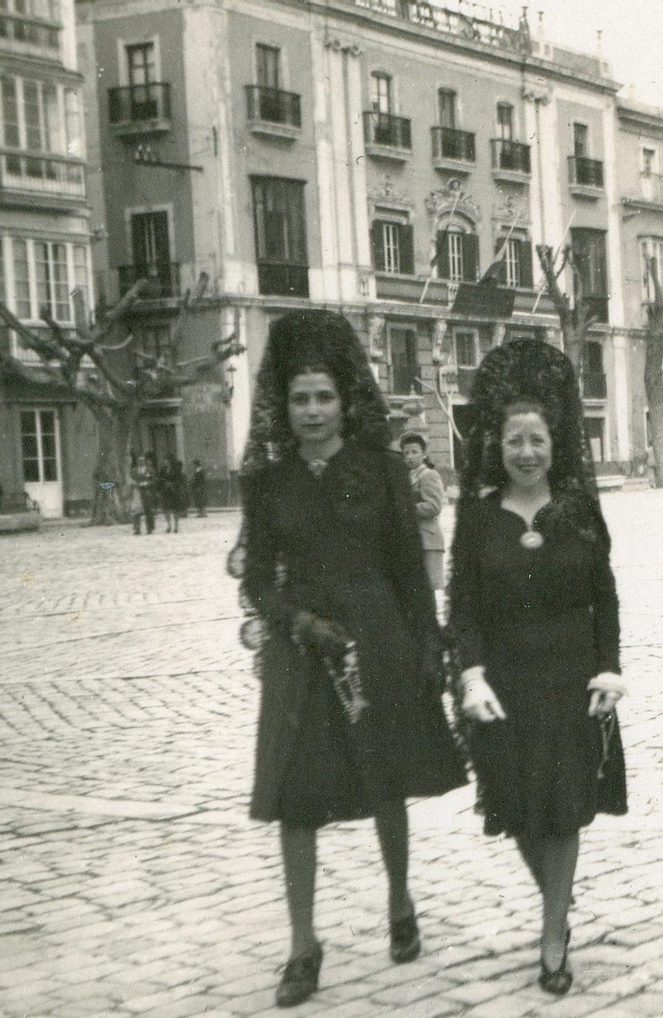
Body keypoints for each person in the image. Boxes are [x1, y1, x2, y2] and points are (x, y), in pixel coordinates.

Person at [228, 309, 466, 1008]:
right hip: (300, 653)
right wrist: (298, 622)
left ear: (345, 402)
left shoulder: (384, 471)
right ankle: (303, 945)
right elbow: (256, 580)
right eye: (300, 399)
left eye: (323, 397)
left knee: (386, 780)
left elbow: (407, 570)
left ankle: (400, 900)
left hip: (377, 640)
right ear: (283, 406)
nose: (311, 411)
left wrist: (429, 646)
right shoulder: (267, 483)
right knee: (295, 799)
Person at [446, 341, 628, 997]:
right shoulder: (477, 520)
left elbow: (605, 597)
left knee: (564, 809)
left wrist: (609, 668)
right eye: (515, 441)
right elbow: (463, 606)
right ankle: (557, 898)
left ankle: (553, 936)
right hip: (505, 683)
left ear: (556, 445)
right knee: (520, 810)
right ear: (497, 446)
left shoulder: (579, 511)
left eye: (538, 440)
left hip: (571, 678)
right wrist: (470, 675)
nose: (527, 452)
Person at [400, 433, 447, 600]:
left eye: (414, 452)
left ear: (424, 454)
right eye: (406, 453)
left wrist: (405, 508)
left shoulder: (429, 475)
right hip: (414, 540)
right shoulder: (406, 477)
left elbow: (434, 506)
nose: (410, 456)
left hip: (428, 541)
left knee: (426, 593)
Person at [134, 453, 159, 536]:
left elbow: (154, 480)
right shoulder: (134, 470)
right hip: (137, 491)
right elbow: (132, 479)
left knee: (148, 509)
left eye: (142, 461)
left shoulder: (149, 470)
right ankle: (137, 529)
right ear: (137, 462)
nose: (141, 462)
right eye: (139, 461)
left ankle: (150, 528)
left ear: (144, 461)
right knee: (136, 510)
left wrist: (148, 483)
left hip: (147, 490)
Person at [163, 454, 189, 529]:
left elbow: (180, 480)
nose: (165, 462)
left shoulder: (176, 470)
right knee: (166, 510)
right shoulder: (163, 470)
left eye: (167, 461)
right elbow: (160, 479)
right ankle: (169, 525)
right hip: (166, 492)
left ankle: (176, 526)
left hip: (175, 491)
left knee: (175, 510)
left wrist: (172, 484)